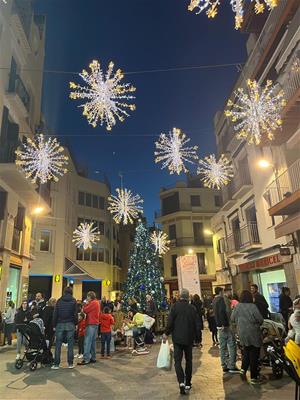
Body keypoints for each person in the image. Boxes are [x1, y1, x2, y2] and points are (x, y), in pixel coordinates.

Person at [163, 288, 197, 395]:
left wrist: (166, 333)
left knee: (177, 362)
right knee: (189, 360)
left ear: (180, 296)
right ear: (188, 297)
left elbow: (170, 322)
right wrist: (196, 337)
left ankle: (181, 382)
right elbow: (196, 323)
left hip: (177, 339)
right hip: (188, 338)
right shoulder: (192, 308)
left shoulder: (175, 307)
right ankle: (188, 382)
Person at [231, 290, 264, 385]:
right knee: (254, 354)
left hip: (242, 333)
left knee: (246, 351)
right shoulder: (252, 306)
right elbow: (260, 319)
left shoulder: (237, 307)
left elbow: (232, 319)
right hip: (253, 333)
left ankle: (243, 370)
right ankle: (254, 377)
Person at [213, 287, 239, 374]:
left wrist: (219, 324)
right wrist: (224, 323)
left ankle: (224, 365)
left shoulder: (214, 300)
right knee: (231, 345)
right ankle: (232, 365)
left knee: (223, 347)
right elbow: (222, 311)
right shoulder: (221, 300)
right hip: (225, 326)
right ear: (221, 292)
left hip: (219, 327)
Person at [52, 287, 78, 370]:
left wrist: (54, 325)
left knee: (58, 345)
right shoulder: (74, 301)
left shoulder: (59, 301)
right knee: (70, 345)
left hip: (60, 324)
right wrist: (76, 323)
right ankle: (70, 364)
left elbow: (55, 313)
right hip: (70, 324)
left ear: (64, 292)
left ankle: (56, 364)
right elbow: (75, 314)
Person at [78, 291, 100, 366]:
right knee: (92, 342)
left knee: (87, 342)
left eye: (87, 297)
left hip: (91, 324)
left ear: (90, 297)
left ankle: (86, 359)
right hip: (95, 324)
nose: (87, 298)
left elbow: (85, 310)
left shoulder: (93, 303)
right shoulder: (96, 302)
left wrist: (84, 305)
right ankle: (93, 358)